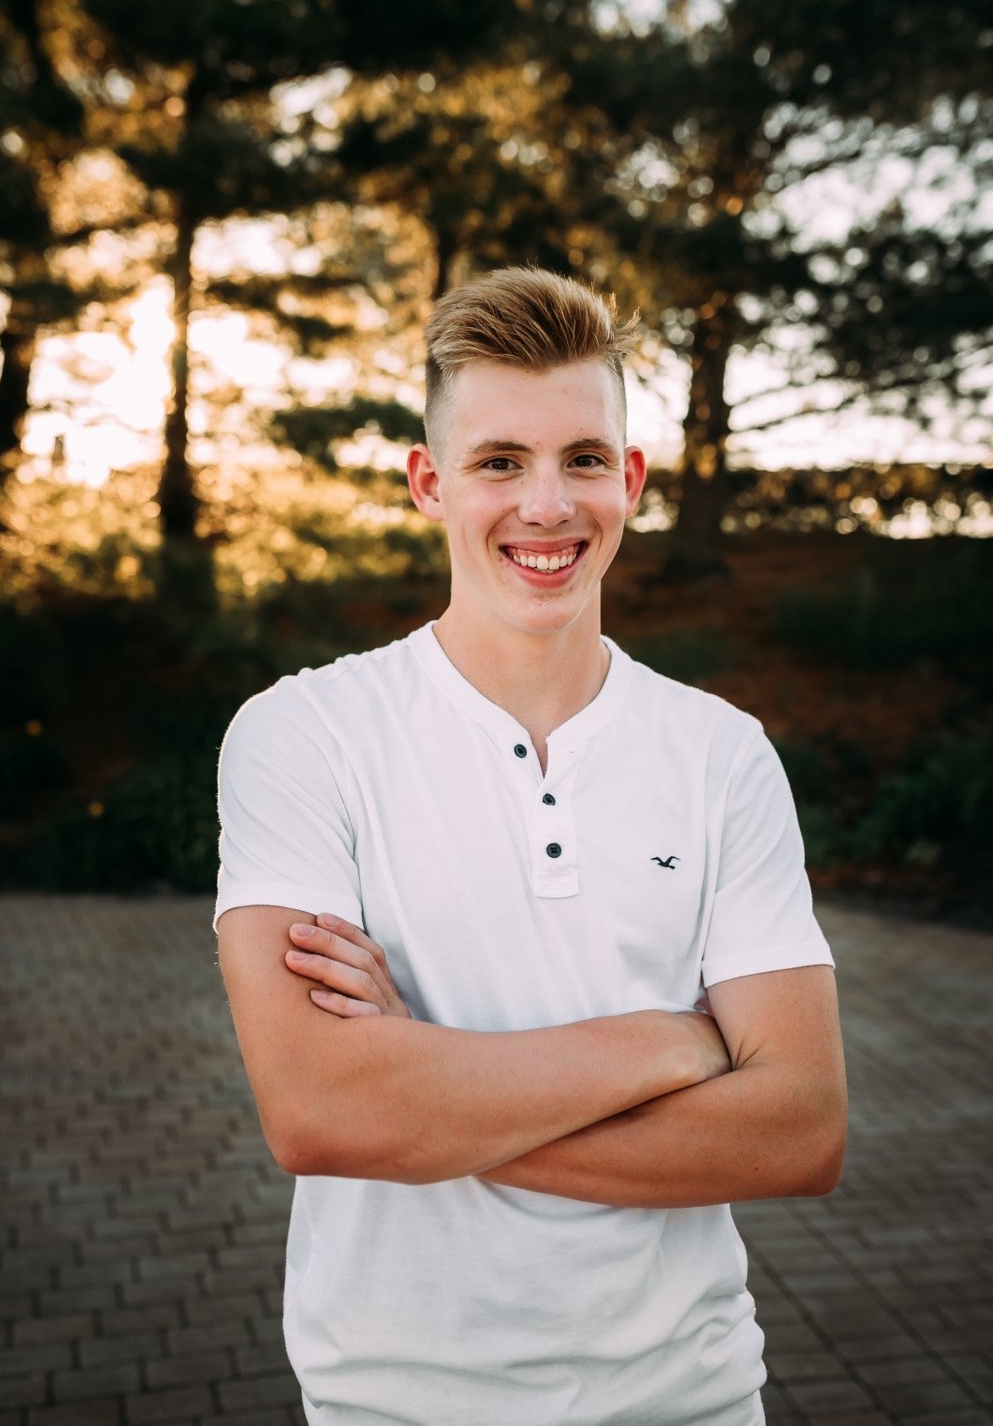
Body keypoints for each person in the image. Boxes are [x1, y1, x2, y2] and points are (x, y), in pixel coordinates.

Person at [216, 267, 847, 1426]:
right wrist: (670, 1041)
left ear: (631, 479)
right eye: (499, 461)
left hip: (696, 1396)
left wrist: (424, 1089)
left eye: (583, 459)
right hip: (396, 1402)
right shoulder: (301, 735)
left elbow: (801, 1128)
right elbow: (319, 1114)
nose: (546, 505)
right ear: (429, 483)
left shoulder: (722, 752)